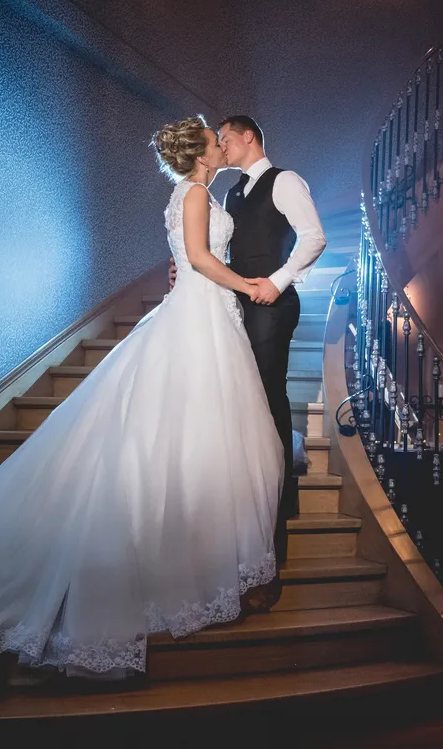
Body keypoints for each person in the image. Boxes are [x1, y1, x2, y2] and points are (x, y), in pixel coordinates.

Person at [0, 116, 284, 679]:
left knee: (213, 442)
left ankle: (196, 561)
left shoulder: (187, 191)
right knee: (198, 436)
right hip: (202, 316)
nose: (220, 143)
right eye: (214, 139)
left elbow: (185, 259)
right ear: (202, 154)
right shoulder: (199, 192)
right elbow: (201, 260)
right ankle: (176, 571)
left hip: (200, 312)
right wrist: (250, 284)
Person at [169, 114, 326, 608]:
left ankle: (272, 536)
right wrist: (189, 265)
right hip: (236, 305)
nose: (222, 146)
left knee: (267, 409)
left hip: (270, 304)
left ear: (249, 138)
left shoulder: (286, 181)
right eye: (215, 142)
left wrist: (277, 282)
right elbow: (209, 250)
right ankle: (237, 531)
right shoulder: (228, 193)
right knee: (244, 414)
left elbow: (314, 238)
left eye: (227, 139)